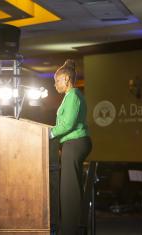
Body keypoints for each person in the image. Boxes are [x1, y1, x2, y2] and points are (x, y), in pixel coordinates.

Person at [50, 59, 92, 235]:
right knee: (69, 189)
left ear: (66, 79)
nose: (55, 85)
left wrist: (50, 133)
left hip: (75, 143)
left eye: (57, 81)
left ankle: (71, 230)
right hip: (72, 144)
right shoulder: (70, 96)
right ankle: (72, 228)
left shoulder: (73, 95)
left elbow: (67, 124)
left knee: (70, 190)